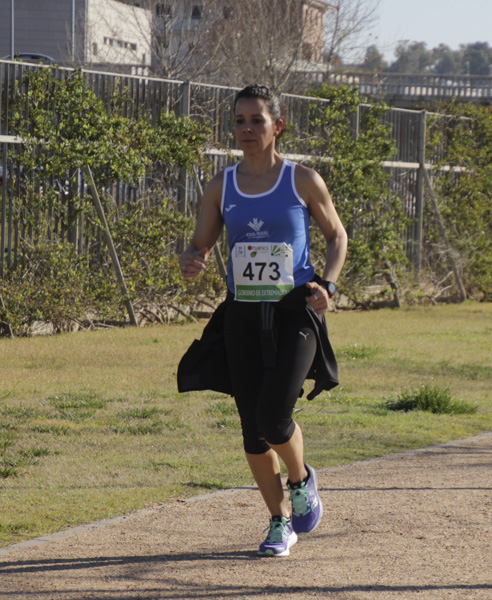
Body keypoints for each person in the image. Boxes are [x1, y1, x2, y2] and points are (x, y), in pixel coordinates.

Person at [178, 84, 348, 557]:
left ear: (279, 123)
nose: (247, 130)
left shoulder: (303, 180)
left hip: (295, 309)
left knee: (275, 417)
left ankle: (301, 480)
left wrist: (327, 285)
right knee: (253, 430)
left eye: (256, 120)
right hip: (243, 314)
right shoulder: (221, 186)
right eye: (239, 121)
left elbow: (337, 237)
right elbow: (200, 247)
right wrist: (191, 260)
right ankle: (279, 523)